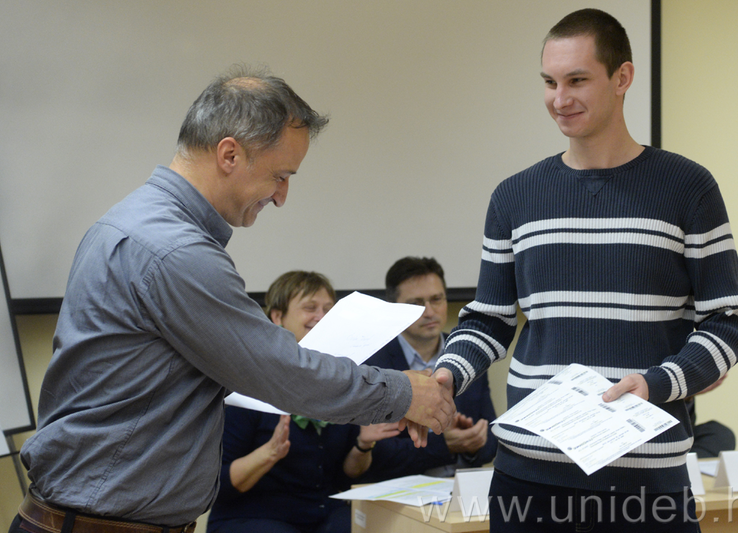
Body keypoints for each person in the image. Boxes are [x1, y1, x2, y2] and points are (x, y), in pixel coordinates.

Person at [11, 66, 455, 533]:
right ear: (229, 154)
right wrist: (405, 393)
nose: (282, 197)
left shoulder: (126, 222)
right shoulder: (176, 252)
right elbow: (282, 373)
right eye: (280, 175)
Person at [432, 9, 738, 532]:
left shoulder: (688, 189)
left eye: (577, 80)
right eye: (550, 82)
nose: (560, 99)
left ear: (622, 77)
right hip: (528, 480)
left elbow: (727, 322)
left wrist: (660, 382)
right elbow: (488, 320)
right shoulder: (514, 197)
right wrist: (447, 373)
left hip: (647, 481)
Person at [209, 271, 400, 533]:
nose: (321, 317)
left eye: (328, 310)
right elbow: (218, 484)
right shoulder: (248, 385)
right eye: (310, 308)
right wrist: (268, 454)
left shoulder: (342, 378)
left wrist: (363, 445)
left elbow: (345, 475)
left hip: (322, 516)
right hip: (254, 517)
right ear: (278, 317)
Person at [359, 257, 497, 482]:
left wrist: (473, 444)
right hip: (399, 490)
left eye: (436, 299)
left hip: (461, 486)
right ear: (395, 309)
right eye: (416, 304)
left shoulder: (468, 353)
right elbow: (378, 455)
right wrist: (445, 445)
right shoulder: (373, 363)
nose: (429, 312)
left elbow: (491, 440)